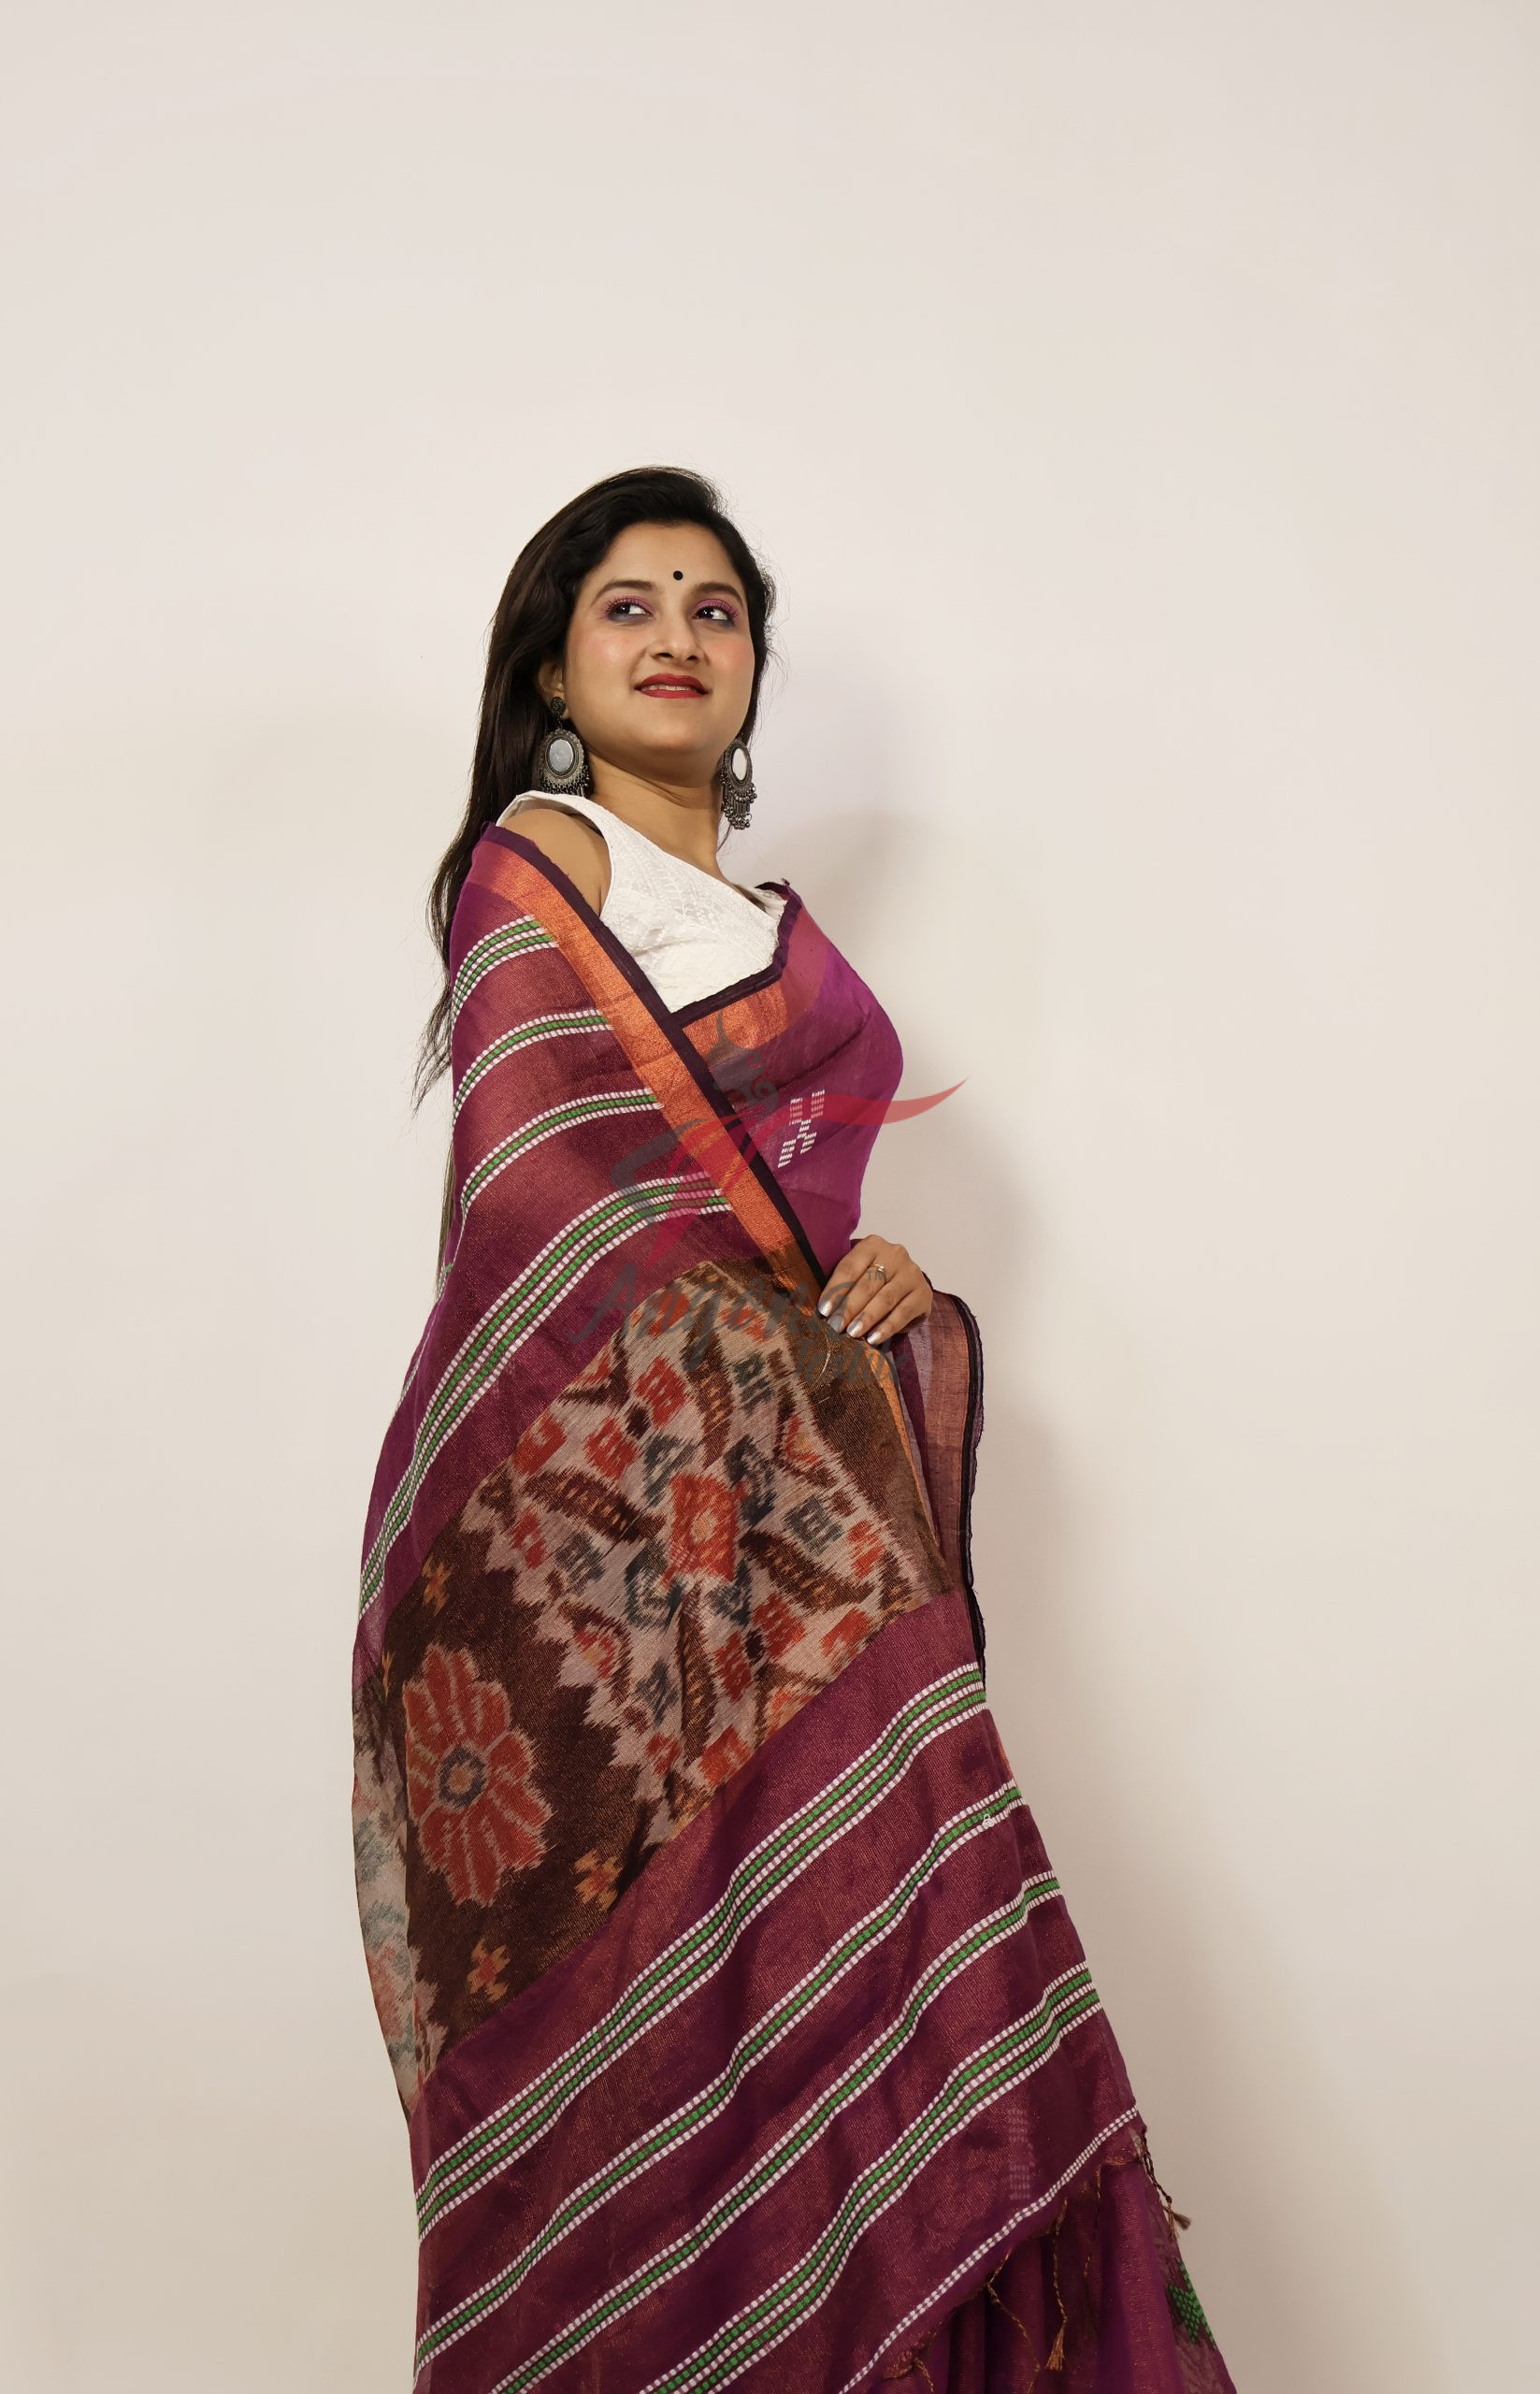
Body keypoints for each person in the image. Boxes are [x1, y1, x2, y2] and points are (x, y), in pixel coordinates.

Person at [352, 465, 1235, 2391]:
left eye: (716, 607)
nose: (676, 635)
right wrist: (759, 1328)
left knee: (896, 1966)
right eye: (628, 603)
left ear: (754, 661)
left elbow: (769, 1225)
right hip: (586, 1530)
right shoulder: (545, 861)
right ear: (556, 665)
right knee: (655, 2040)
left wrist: (868, 1289)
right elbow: (540, 1201)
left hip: (782, 1514)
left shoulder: (765, 921)